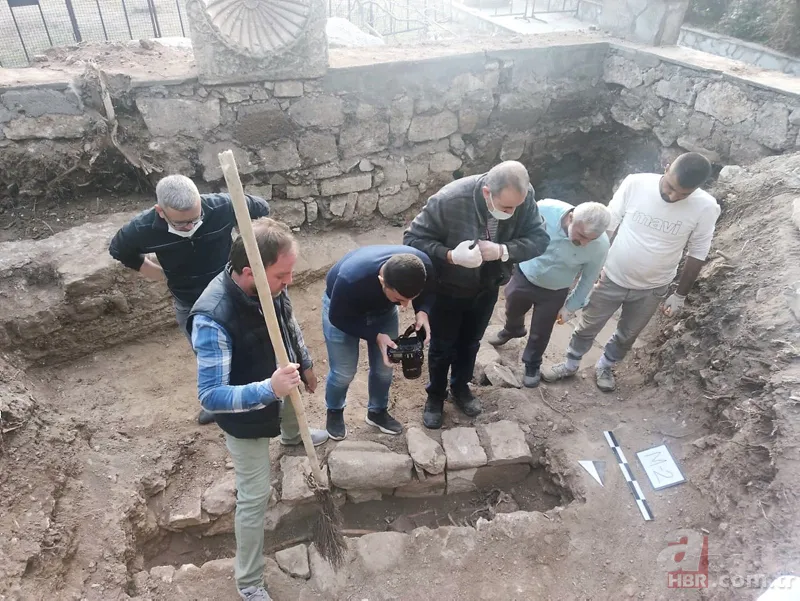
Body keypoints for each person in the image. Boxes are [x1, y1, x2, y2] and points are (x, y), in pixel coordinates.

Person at [187, 218, 328, 601]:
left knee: (288, 399)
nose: (290, 282)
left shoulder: (272, 285)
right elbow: (211, 396)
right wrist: (269, 387)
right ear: (250, 271)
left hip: (275, 376)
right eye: (283, 275)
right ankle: (249, 581)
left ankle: (293, 436)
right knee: (254, 496)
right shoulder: (212, 318)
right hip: (243, 416)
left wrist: (306, 361)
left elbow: (288, 323)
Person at [542, 152, 720, 392]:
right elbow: (608, 225)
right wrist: (590, 270)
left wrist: (680, 294)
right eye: (670, 186)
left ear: (698, 188)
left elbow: (698, 250)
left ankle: (605, 366)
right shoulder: (636, 184)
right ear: (665, 167)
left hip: (653, 287)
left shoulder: (706, 207)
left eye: (683, 194)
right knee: (587, 326)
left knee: (627, 334)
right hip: (612, 276)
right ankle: (571, 363)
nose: (672, 195)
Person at [108, 174, 270, 425]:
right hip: (190, 304)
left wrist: (247, 252)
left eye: (197, 219)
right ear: (160, 212)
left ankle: (258, 395)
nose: (192, 225)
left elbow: (261, 209)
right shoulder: (143, 228)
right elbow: (119, 250)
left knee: (251, 344)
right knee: (207, 351)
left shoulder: (220, 206)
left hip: (232, 294)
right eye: (183, 224)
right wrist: (159, 274)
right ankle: (219, 402)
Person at [404, 160, 550, 429]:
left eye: (516, 207)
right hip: (447, 288)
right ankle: (435, 396)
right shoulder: (449, 200)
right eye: (506, 208)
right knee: (442, 347)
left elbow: (540, 239)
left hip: (486, 287)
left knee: (471, 343)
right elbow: (412, 240)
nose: (512, 212)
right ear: (487, 193)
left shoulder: (523, 198)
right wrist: (450, 256)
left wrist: (503, 251)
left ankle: (460, 388)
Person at [488, 200, 611, 387]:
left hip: (555, 291)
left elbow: (588, 279)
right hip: (525, 274)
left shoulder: (600, 246)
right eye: (581, 235)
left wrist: (570, 307)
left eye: (591, 239)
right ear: (571, 218)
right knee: (512, 304)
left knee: (541, 330)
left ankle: (532, 364)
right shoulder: (543, 209)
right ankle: (513, 329)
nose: (585, 243)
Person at [323, 245, 435, 440]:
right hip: (343, 310)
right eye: (399, 299)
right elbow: (338, 318)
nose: (405, 306)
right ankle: (334, 410)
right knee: (344, 371)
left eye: (410, 299)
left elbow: (432, 289)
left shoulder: (421, 265)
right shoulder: (351, 279)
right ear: (382, 281)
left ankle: (377, 411)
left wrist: (423, 311)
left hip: (383, 312)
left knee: (385, 366)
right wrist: (375, 336)